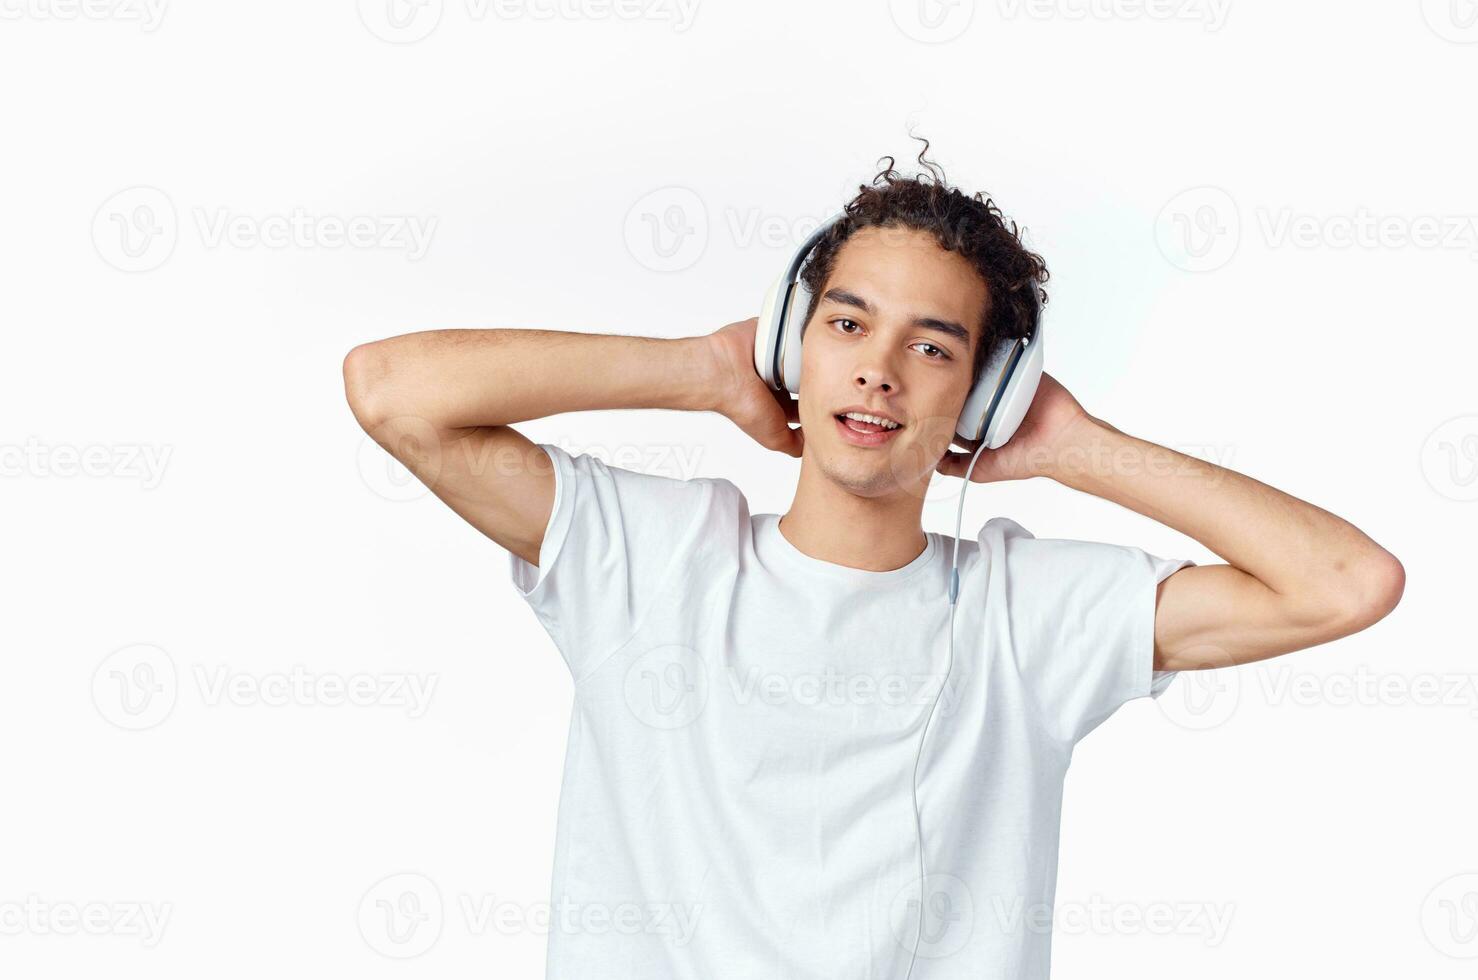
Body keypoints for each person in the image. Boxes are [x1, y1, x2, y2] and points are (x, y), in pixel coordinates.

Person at [342, 150, 1404, 979]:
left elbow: (1343, 581)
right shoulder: (650, 556)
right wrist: (703, 372)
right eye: (846, 321)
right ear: (791, 347)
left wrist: (1076, 447)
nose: (877, 368)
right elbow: (392, 390)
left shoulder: (1023, 613)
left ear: (983, 396)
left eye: (932, 347)